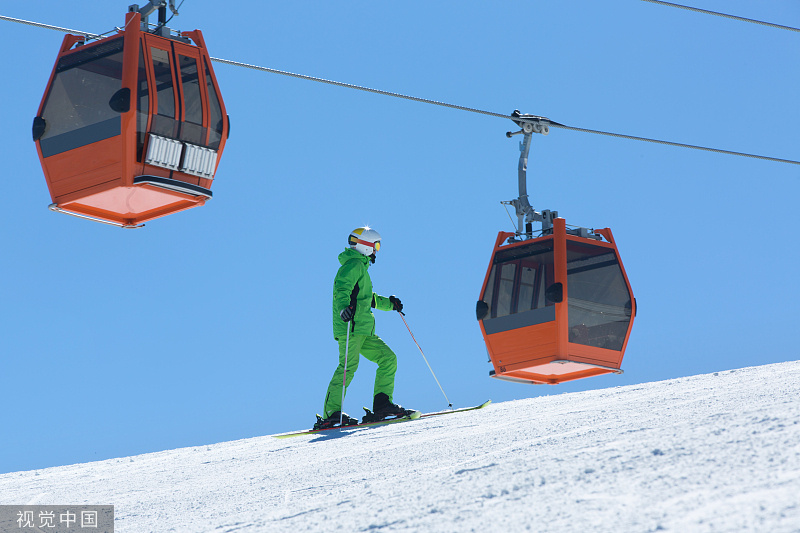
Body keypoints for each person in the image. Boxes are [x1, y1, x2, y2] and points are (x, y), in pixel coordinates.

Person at [314, 226, 415, 429]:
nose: (377, 251)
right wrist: (343, 309)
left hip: (364, 330)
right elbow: (341, 289)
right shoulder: (353, 266)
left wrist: (390, 304)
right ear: (366, 246)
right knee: (348, 367)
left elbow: (368, 298)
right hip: (350, 327)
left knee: (388, 358)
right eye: (376, 246)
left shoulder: (361, 268)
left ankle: (382, 405)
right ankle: (331, 414)